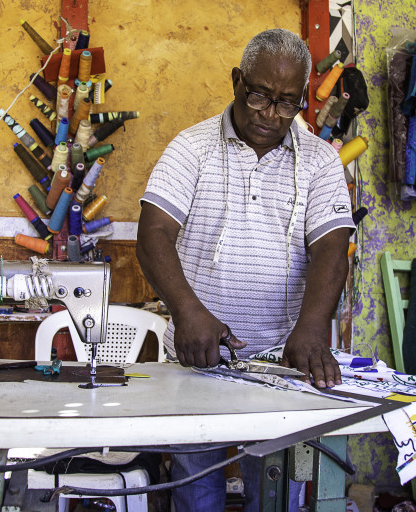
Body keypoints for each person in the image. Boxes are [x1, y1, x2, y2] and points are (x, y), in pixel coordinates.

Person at [136, 28, 354, 512]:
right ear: (237, 81)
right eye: (259, 96)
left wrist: (311, 329)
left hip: (283, 363)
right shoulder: (191, 148)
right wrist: (188, 312)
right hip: (198, 357)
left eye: (286, 102)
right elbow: (152, 235)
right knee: (196, 491)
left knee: (276, 496)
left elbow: (332, 250)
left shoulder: (320, 161)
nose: (270, 114)